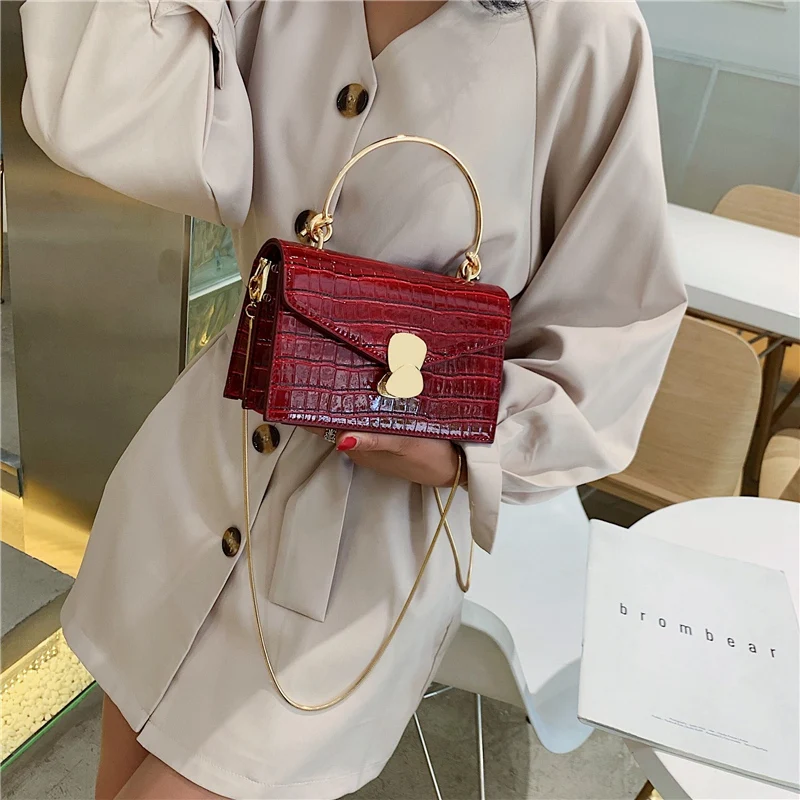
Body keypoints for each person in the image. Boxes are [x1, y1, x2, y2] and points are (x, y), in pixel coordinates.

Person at [20, 0, 687, 798]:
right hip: (193, 483)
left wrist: (468, 444)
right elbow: (111, 114)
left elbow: (618, 318)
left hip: (355, 561)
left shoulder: (583, 32)